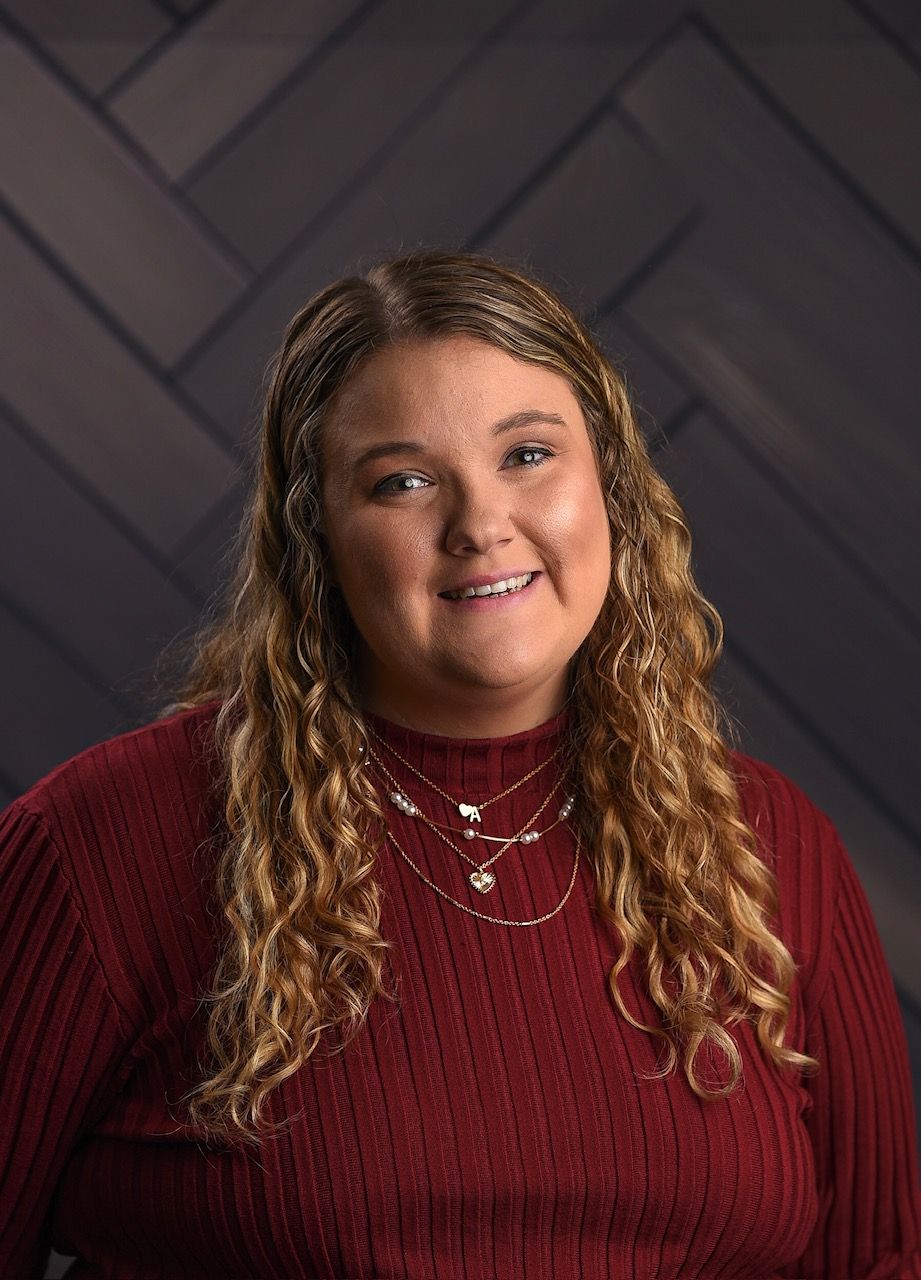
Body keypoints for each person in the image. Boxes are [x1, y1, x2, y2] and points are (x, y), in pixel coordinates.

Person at [1, 249, 919, 1280]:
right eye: (403, 480)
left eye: (527, 454)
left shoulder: (771, 849)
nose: (480, 524)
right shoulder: (103, 842)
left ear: (609, 487)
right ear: (318, 537)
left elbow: (874, 1263)